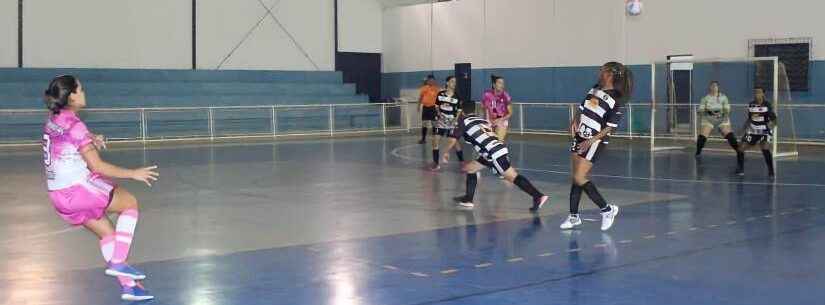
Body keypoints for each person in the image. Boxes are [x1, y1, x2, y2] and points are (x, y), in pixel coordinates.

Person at [41, 75, 159, 301]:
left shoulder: (53, 118)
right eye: (81, 89)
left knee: (107, 233)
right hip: (78, 189)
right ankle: (118, 262)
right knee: (130, 203)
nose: (85, 93)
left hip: (58, 195)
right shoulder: (75, 124)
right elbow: (97, 165)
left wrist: (91, 138)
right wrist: (133, 173)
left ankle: (130, 287)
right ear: (72, 96)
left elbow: (68, 138)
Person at [560, 62, 632, 231]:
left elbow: (610, 127)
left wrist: (591, 141)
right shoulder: (594, 88)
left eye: (602, 70)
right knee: (576, 177)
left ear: (610, 74)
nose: (599, 73)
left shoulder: (616, 98)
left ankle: (607, 210)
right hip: (580, 136)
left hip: (595, 141)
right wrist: (574, 120)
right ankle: (573, 217)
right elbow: (582, 107)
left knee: (580, 177)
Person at [452, 100, 549, 211]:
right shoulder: (482, 120)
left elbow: (452, 139)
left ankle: (538, 196)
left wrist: (445, 152)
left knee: (512, 176)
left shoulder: (464, 121)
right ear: (475, 110)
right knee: (470, 169)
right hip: (493, 150)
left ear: (462, 111)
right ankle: (468, 199)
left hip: (492, 153)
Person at [735, 87, 777, 177]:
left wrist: (769, 128)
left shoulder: (767, 105)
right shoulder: (751, 105)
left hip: (764, 131)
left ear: (763, 94)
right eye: (755, 92)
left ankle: (771, 170)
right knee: (740, 148)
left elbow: (774, 120)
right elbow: (750, 119)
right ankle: (740, 168)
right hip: (752, 130)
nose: (757, 94)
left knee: (765, 148)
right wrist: (742, 129)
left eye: (759, 92)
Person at [696, 81, 739, 158]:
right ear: (709, 87)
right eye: (712, 86)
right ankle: (698, 152)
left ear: (718, 87)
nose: (714, 87)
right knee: (702, 136)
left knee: (730, 135)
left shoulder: (723, 97)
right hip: (708, 119)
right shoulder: (705, 98)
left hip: (721, 118)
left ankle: (739, 151)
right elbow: (700, 110)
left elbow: (727, 110)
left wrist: (722, 115)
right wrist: (709, 112)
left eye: (715, 86)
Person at [430, 76, 464, 170]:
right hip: (441, 121)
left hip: (452, 122)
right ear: (447, 83)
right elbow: (436, 106)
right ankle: (436, 163)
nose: (454, 83)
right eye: (452, 81)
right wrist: (439, 113)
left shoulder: (457, 96)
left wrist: (455, 119)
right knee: (435, 140)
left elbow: (459, 110)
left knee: (455, 143)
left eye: (455, 82)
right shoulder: (440, 94)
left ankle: (462, 162)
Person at [481, 75, 513, 141]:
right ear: (494, 85)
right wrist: (486, 121)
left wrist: (500, 120)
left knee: (498, 143)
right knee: (488, 144)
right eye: (499, 83)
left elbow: (510, 113)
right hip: (489, 121)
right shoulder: (487, 94)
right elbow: (484, 108)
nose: (502, 85)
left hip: (502, 120)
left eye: (503, 83)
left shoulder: (506, 96)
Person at [418, 75, 440, 144]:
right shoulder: (424, 88)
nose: (431, 82)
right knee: (424, 124)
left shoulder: (436, 89)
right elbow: (421, 97)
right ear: (427, 81)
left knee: (434, 124)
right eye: (430, 80)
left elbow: (439, 99)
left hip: (433, 108)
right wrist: (418, 105)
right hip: (425, 108)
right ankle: (423, 139)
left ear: (434, 81)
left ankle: (435, 139)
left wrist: (439, 109)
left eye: (432, 80)